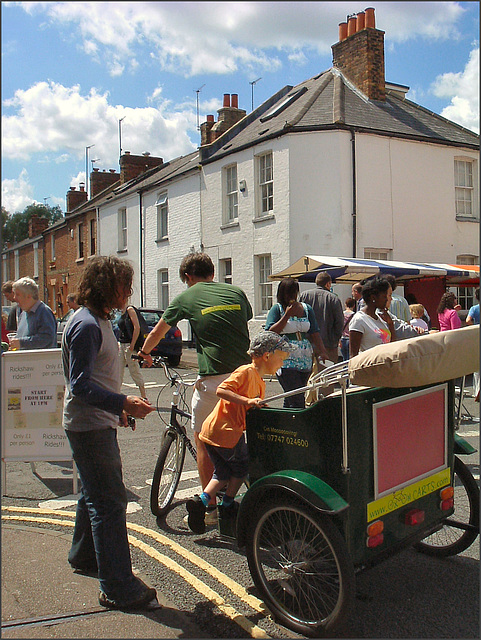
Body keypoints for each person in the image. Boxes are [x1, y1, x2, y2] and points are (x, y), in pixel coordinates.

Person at [62, 255, 156, 610]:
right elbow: (80, 386)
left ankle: (83, 556)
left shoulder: (97, 320)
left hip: (93, 423)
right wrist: (122, 403)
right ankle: (117, 587)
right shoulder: (86, 325)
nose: (129, 291)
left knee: (93, 494)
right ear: (107, 286)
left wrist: (116, 408)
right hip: (89, 428)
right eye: (125, 284)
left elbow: (94, 380)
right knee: (109, 502)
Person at [138, 251, 252, 525]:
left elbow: (157, 332)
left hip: (215, 381)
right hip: (247, 378)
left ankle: (211, 508)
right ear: (212, 272)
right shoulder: (236, 292)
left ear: (188, 277)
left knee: (203, 439)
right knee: (241, 436)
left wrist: (143, 352)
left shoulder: (186, 297)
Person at [186, 331, 295, 534]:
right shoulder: (246, 371)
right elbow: (221, 390)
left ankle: (200, 502)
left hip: (213, 432)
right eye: (281, 358)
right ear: (267, 356)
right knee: (242, 469)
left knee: (222, 473)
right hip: (226, 433)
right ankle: (227, 504)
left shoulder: (259, 381)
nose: (282, 364)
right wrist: (247, 401)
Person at [265, 278, 327, 408]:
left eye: (294, 292)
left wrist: (322, 351)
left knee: (294, 397)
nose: (291, 296)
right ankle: (300, 423)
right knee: (296, 397)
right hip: (285, 360)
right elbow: (270, 331)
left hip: (304, 358)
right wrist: (286, 316)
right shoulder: (277, 309)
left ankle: (286, 424)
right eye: (288, 293)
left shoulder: (306, 308)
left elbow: (314, 332)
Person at [300, 271, 344, 364]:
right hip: (328, 344)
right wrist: (335, 339)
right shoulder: (333, 298)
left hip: (307, 343)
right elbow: (339, 322)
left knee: (307, 375)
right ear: (328, 283)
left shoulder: (304, 296)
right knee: (327, 374)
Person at [349, 276, 396, 357]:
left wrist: (390, 324)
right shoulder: (359, 320)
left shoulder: (380, 318)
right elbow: (353, 355)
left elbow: (392, 346)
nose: (387, 299)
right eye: (384, 296)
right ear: (373, 297)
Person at [9, 277, 57, 350]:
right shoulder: (23, 313)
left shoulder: (44, 312)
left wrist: (21, 343)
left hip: (40, 360)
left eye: (17, 294)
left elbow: (46, 339)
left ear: (29, 296)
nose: (14, 298)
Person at [117, 302, 147, 398]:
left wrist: (132, 345)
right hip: (121, 344)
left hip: (129, 345)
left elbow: (137, 327)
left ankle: (144, 396)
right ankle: (116, 394)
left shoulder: (130, 309)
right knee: (117, 370)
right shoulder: (121, 312)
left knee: (134, 370)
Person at [465, 288, 479, 401]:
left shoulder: (474, 308)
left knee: (477, 367)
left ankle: (476, 391)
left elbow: (468, 320)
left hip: (477, 336)